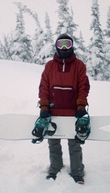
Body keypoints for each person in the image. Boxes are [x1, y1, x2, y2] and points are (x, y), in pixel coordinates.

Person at [37, 33, 90, 184]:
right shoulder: (50, 66)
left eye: (67, 44)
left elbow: (83, 87)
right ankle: (55, 168)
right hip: (53, 112)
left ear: (72, 46)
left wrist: (81, 106)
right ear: (56, 46)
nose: (64, 48)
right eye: (61, 44)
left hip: (73, 112)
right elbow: (44, 87)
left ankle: (77, 172)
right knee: (53, 142)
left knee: (74, 143)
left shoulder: (79, 65)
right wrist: (44, 106)